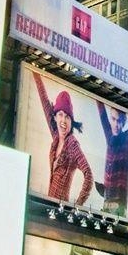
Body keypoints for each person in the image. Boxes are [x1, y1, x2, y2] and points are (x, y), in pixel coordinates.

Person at [33, 76, 94, 206]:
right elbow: (44, 100)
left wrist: (77, 206)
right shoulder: (56, 136)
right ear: (55, 117)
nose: (63, 120)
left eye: (67, 117)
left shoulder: (72, 144)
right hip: (48, 203)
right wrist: (35, 72)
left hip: (60, 209)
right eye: (60, 114)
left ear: (71, 121)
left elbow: (88, 175)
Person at [95, 102, 128, 215]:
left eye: (119, 121)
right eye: (113, 119)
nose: (115, 124)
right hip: (107, 198)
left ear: (124, 122)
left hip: (119, 203)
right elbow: (102, 114)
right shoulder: (110, 137)